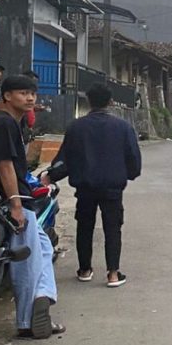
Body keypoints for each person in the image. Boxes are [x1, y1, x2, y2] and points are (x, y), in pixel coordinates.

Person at [0, 75, 62, 338]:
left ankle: (42, 297)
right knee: (26, 260)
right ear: (6, 96)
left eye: (32, 94)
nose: (29, 98)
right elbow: (5, 165)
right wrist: (15, 205)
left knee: (44, 247)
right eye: (23, 93)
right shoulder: (5, 124)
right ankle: (28, 320)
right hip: (9, 203)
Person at [45, 84, 142, 287]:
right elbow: (132, 156)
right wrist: (130, 174)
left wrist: (51, 176)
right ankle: (113, 273)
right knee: (113, 228)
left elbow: (65, 159)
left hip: (85, 186)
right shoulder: (123, 127)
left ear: (88, 101)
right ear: (111, 102)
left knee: (85, 226)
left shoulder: (76, 127)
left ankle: (85, 269)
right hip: (112, 186)